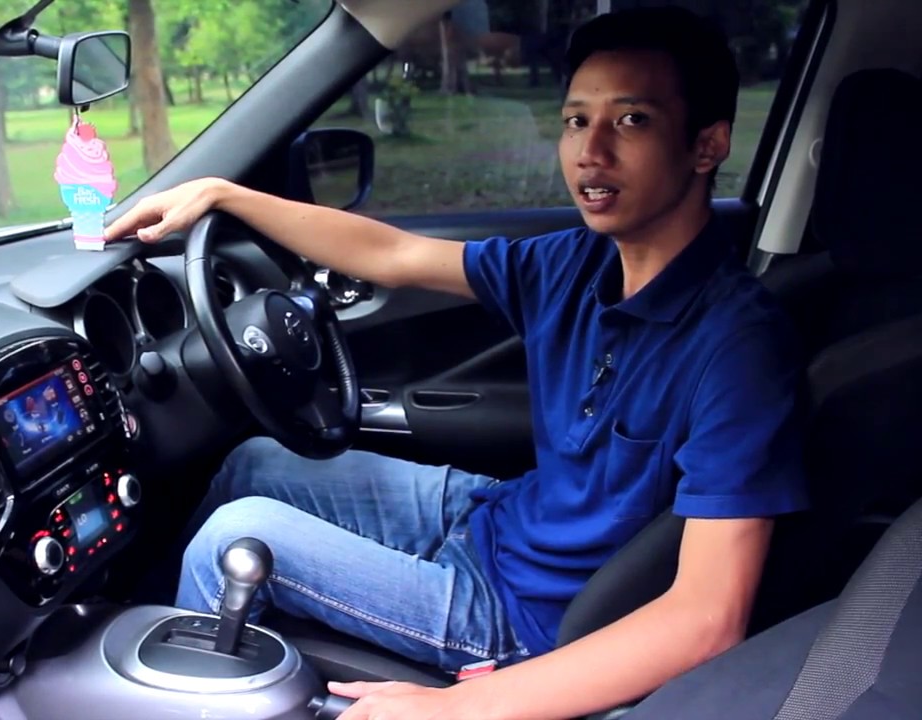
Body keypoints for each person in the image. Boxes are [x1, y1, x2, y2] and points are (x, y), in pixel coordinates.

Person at [105, 7, 809, 720]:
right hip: (494, 519)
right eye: (574, 121)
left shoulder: (739, 347)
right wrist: (227, 196)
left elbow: (708, 618)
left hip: (526, 618)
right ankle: (129, 635)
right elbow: (394, 255)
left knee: (235, 536)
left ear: (707, 145)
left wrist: (459, 709)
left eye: (631, 121)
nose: (590, 151)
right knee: (253, 462)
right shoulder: (575, 261)